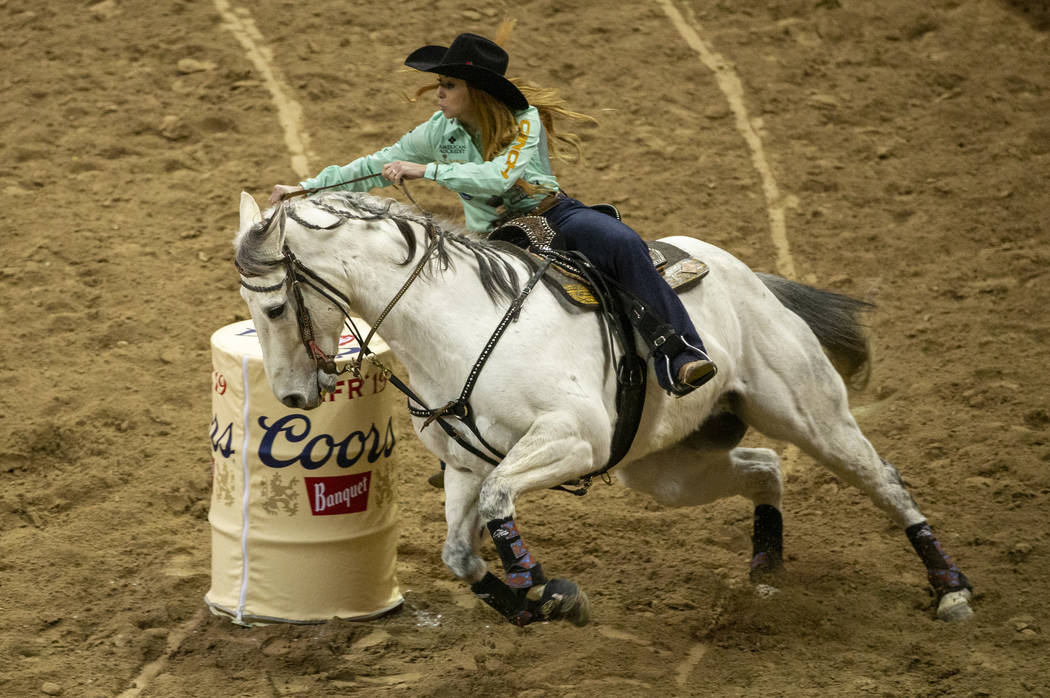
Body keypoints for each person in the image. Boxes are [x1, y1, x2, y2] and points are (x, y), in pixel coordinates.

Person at [270, 31, 717, 396]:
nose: (438, 94)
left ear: (475, 92)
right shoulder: (438, 129)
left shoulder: (526, 122)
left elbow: (499, 178)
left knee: (619, 242)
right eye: (440, 85)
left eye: (448, 86)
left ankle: (678, 350)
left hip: (553, 216)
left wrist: (426, 169)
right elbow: (374, 164)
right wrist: (306, 188)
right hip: (492, 237)